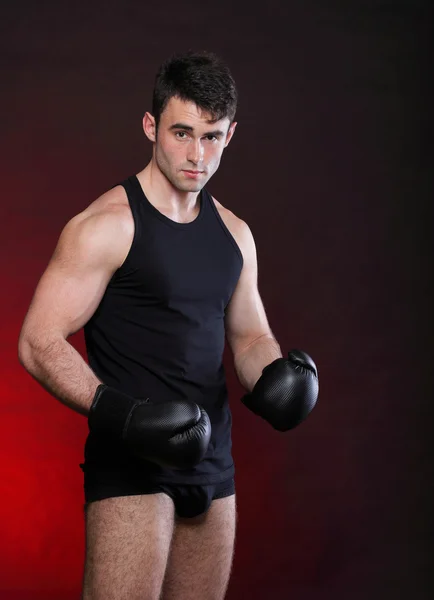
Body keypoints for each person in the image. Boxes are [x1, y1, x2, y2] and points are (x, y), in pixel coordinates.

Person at [18, 51, 319, 600]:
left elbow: (250, 336)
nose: (196, 154)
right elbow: (37, 341)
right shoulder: (106, 226)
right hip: (133, 466)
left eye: (211, 137)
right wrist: (123, 414)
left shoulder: (235, 235)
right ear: (150, 125)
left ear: (230, 136)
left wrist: (275, 375)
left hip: (213, 463)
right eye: (182, 133)